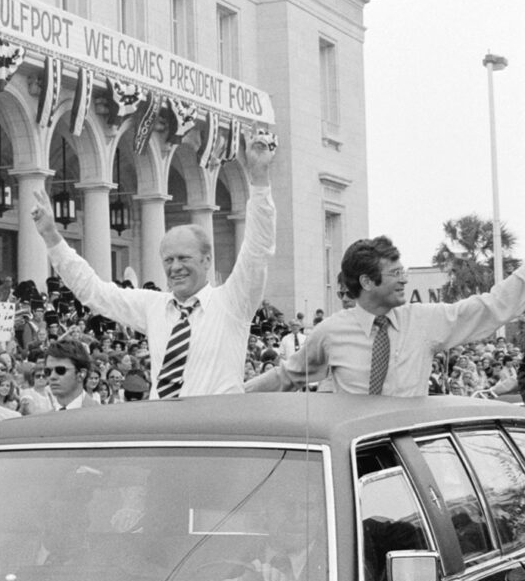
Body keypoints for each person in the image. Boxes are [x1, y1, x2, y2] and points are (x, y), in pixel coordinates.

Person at [30, 131, 277, 398]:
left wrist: (259, 180)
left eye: (184, 258)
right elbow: (94, 292)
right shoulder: (154, 307)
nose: (175, 267)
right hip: (163, 429)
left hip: (215, 431)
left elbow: (257, 250)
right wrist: (51, 237)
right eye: (168, 260)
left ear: (207, 260)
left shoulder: (232, 302)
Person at [247, 235, 525, 396]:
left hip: (409, 466)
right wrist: (225, 399)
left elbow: (491, 307)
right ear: (367, 282)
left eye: (403, 272)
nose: (404, 280)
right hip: (352, 468)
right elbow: (286, 376)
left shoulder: (426, 321)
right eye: (395, 274)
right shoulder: (329, 333)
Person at [44, 340, 100, 410]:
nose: (52, 377)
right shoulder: (44, 417)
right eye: (48, 371)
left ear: (81, 374)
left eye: (61, 370)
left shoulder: (98, 413)